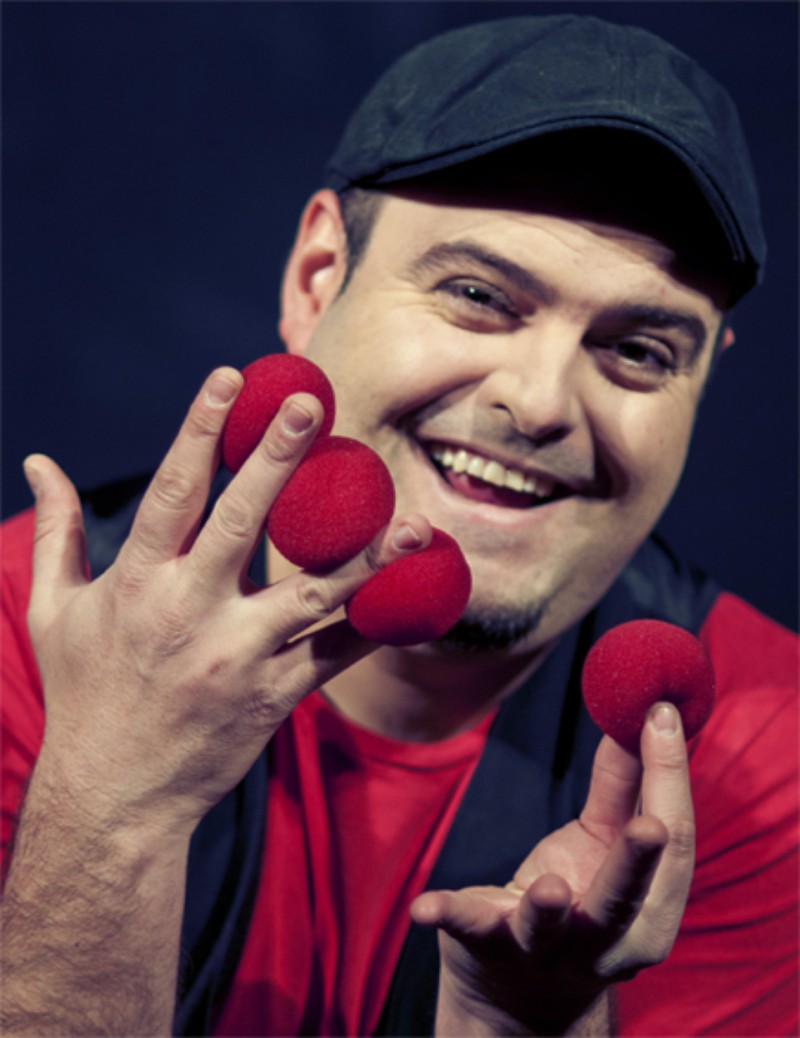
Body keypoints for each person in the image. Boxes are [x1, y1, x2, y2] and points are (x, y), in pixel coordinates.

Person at [1, 13, 796, 1037]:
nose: (539, 402)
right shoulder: (30, 632)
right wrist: (109, 810)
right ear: (315, 277)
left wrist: (527, 1023)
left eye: (639, 351)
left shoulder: (760, 751)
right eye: (477, 294)